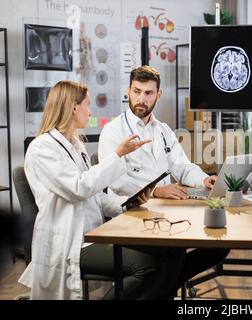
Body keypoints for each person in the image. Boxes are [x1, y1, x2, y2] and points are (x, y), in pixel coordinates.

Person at [18, 80, 184, 299]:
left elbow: (95, 197)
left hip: (93, 234)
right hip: (69, 244)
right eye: (87, 104)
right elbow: (79, 188)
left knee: (172, 252)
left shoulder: (76, 147)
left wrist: (128, 204)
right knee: (147, 267)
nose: (90, 111)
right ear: (73, 107)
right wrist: (118, 155)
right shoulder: (42, 148)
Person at [98, 65, 229, 288]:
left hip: (165, 212)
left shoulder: (164, 130)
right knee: (173, 252)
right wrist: (157, 191)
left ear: (158, 94)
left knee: (218, 248)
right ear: (128, 91)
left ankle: (161, 288)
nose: (141, 99)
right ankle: (162, 288)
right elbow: (115, 181)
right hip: (132, 214)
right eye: (137, 91)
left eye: (148, 93)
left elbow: (183, 166)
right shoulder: (113, 130)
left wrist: (204, 179)